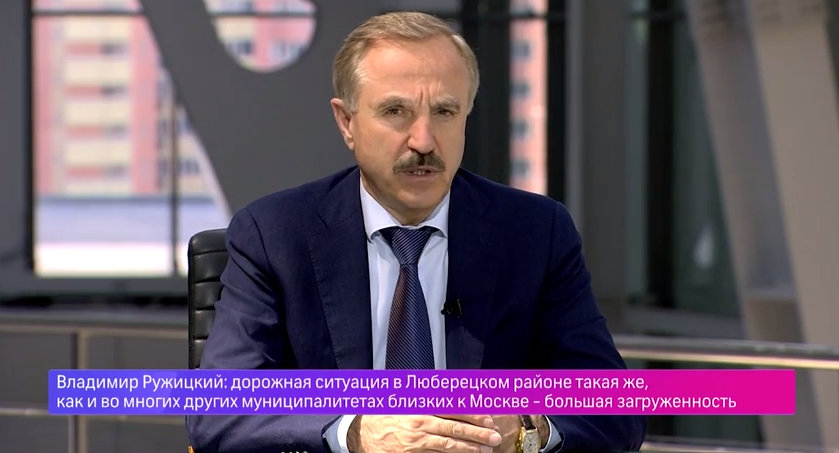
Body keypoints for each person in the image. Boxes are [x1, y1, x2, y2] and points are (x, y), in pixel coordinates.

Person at [187, 11, 645, 453]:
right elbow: (218, 411)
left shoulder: (536, 233)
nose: (424, 141)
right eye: (396, 111)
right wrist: (356, 434)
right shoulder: (274, 234)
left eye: (444, 111)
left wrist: (528, 430)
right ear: (347, 123)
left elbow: (617, 408)